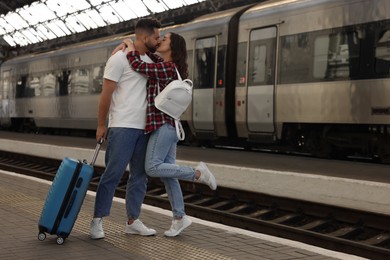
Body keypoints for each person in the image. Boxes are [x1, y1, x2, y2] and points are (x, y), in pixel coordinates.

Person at [121, 32, 217, 237]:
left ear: (173, 48)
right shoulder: (166, 64)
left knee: (153, 167)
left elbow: (140, 66)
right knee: (168, 175)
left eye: (164, 39)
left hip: (164, 126)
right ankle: (180, 218)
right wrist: (133, 44)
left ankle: (198, 173)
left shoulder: (167, 67)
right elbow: (150, 57)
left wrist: (130, 50)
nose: (160, 40)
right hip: (169, 127)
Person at [89, 18, 162, 240]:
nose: (158, 41)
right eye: (156, 37)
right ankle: (97, 221)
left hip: (145, 128)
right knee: (113, 174)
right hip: (122, 126)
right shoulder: (119, 58)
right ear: (144, 37)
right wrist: (102, 125)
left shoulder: (150, 60)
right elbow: (106, 95)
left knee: (139, 176)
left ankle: (132, 221)